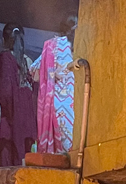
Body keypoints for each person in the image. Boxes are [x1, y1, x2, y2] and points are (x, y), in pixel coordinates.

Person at [33, 15, 77, 156]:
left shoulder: (54, 46)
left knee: (61, 154)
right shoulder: (84, 43)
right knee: (74, 150)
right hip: (74, 103)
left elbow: (34, 71)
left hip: (59, 104)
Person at [0, 24, 39, 167]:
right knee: (23, 161)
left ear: (4, 40)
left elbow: (4, 92)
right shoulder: (28, 62)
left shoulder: (6, 58)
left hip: (11, 118)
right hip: (27, 120)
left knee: (8, 164)